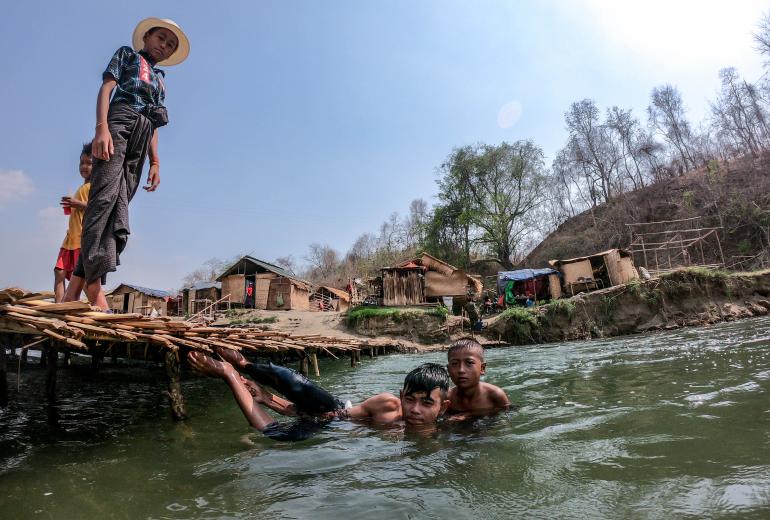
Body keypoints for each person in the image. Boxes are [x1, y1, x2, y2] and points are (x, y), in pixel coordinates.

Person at [65, 18, 190, 310]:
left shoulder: (160, 79)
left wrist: (155, 161)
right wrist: (102, 128)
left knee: (118, 207)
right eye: (161, 38)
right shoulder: (127, 55)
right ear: (146, 37)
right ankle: (95, 288)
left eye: (171, 45)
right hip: (119, 121)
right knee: (102, 199)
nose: (165, 46)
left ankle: (74, 289)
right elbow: (107, 89)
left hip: (143, 135)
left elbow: (155, 123)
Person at [187, 349, 451, 441]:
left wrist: (271, 401)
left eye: (426, 403)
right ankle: (244, 365)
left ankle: (229, 374)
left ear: (443, 407)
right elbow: (333, 415)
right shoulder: (388, 406)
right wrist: (274, 401)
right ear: (401, 394)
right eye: (410, 399)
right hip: (336, 414)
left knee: (274, 434)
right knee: (294, 381)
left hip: (329, 428)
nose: (415, 409)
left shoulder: (444, 432)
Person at [53, 143, 93, 303]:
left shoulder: (95, 186)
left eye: (89, 163)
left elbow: (98, 207)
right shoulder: (82, 187)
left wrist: (77, 203)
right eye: (82, 162)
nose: (84, 166)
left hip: (81, 240)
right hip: (70, 238)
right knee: (59, 272)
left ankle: (98, 307)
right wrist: (73, 205)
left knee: (81, 279)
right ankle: (58, 307)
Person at [446, 338, 509, 417]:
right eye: (455, 363)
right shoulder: (447, 398)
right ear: (448, 370)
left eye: (469, 363)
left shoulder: (495, 395)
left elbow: (507, 420)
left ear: (482, 368)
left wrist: (469, 415)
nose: (461, 370)